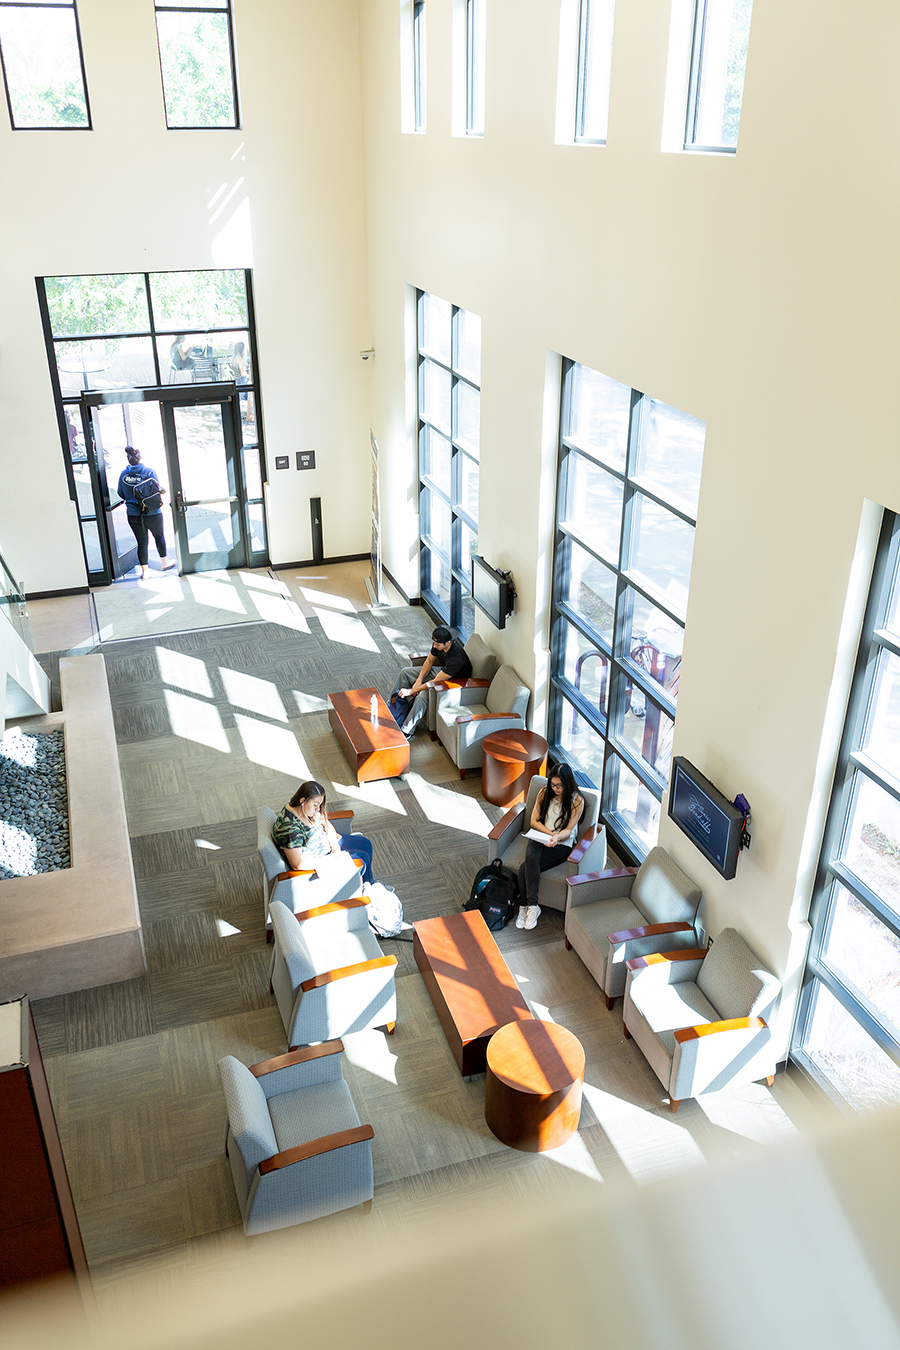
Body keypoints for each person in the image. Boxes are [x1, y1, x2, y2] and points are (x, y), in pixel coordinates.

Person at [516, 762, 584, 931]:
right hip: (540, 836)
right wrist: (549, 834)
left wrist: (556, 837)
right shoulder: (544, 792)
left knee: (525, 868)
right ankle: (531, 906)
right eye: (553, 784)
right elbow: (533, 821)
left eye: (559, 785)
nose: (555, 789)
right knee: (531, 859)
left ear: (567, 783)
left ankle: (526, 905)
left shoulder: (577, 800)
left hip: (562, 843)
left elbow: (568, 831)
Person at [271, 780, 375, 885]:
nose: (318, 809)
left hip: (329, 847)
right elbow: (297, 864)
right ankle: (365, 887)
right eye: (315, 805)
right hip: (320, 859)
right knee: (361, 861)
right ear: (302, 801)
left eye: (320, 804)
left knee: (366, 844)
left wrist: (335, 847)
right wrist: (329, 861)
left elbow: (326, 825)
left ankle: (368, 883)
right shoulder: (289, 827)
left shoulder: (304, 809)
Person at [391, 625, 472, 739]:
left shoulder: (456, 658)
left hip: (452, 684)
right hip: (442, 672)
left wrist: (412, 691)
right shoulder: (438, 644)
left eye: (437, 645)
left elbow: (435, 682)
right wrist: (418, 680)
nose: (434, 646)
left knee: (423, 696)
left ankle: (407, 730)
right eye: (434, 643)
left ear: (448, 642)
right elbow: (429, 661)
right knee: (405, 672)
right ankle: (392, 705)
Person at [116, 446, 176, 581]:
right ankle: (164, 563)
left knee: (142, 542)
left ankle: (145, 572)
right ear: (140, 458)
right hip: (152, 512)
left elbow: (120, 493)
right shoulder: (149, 472)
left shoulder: (123, 474)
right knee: (159, 536)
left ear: (128, 459)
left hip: (133, 514)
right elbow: (157, 489)